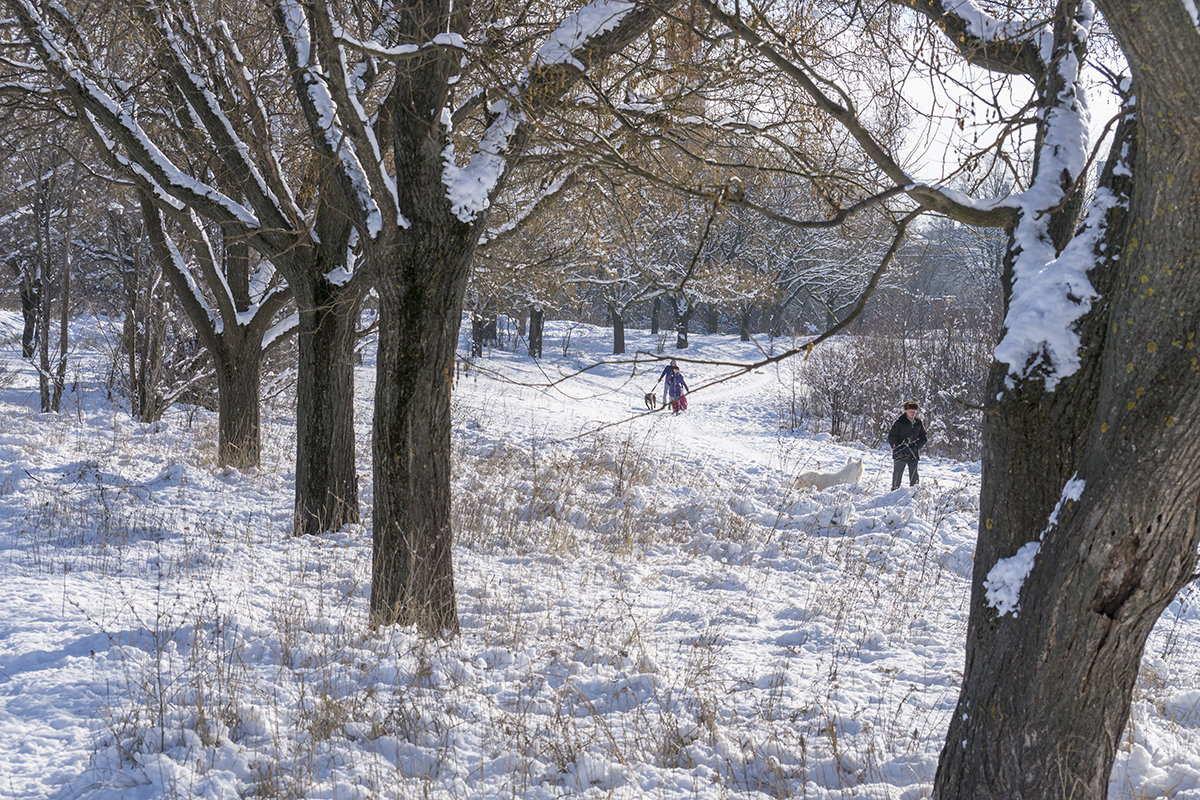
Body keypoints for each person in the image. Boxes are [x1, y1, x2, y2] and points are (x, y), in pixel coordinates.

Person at [887, 400, 927, 490]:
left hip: (913, 453)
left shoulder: (918, 422)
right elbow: (891, 437)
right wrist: (898, 449)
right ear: (906, 411)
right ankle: (893, 495)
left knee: (914, 477)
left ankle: (914, 494)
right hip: (900, 453)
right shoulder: (899, 422)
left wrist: (915, 447)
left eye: (914, 411)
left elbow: (924, 438)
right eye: (910, 411)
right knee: (897, 477)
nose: (912, 413)